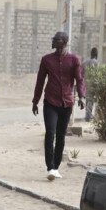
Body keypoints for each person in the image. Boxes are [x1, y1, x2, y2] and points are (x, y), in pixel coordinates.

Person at [32, 31, 86, 181]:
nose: (53, 41)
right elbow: (40, 81)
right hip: (50, 102)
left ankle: (55, 167)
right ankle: (49, 167)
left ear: (63, 42)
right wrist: (35, 101)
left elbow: (79, 80)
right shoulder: (47, 60)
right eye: (53, 39)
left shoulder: (74, 60)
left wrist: (82, 96)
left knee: (61, 136)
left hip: (67, 103)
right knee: (50, 133)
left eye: (56, 40)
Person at [81, 47, 98, 122]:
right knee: (91, 100)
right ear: (96, 54)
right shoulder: (96, 63)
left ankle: (87, 115)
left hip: (85, 84)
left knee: (88, 100)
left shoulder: (84, 63)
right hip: (93, 84)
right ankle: (88, 116)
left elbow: (80, 74)